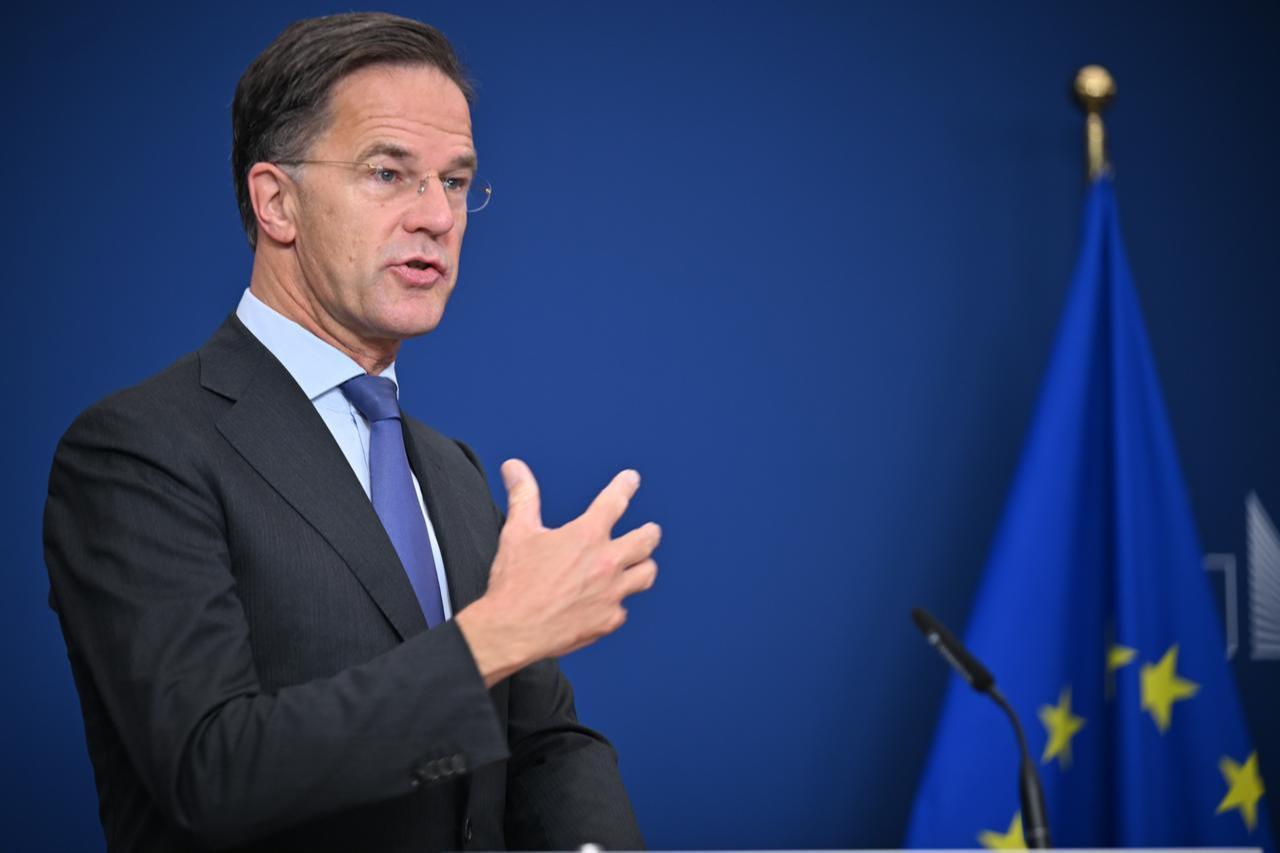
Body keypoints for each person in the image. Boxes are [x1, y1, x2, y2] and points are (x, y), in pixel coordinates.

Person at [42, 12, 660, 853]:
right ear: (278, 202)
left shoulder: (449, 470)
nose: (436, 216)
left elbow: (543, 741)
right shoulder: (137, 451)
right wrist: (490, 638)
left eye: (454, 180)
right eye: (388, 173)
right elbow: (211, 770)